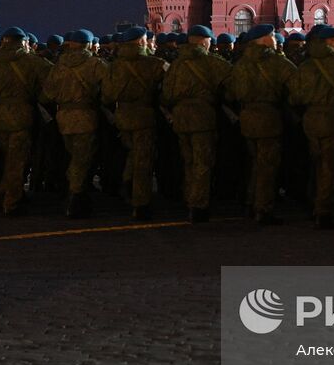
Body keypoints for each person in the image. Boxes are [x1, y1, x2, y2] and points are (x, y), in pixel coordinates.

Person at [287, 25, 334, 228]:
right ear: (329, 42)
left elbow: (294, 97)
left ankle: (313, 203)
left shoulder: (304, 66)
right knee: (330, 166)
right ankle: (324, 210)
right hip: (332, 118)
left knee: (315, 162)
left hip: (310, 118)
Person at [222, 24, 297, 225]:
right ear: (264, 39)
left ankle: (250, 202)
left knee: (254, 163)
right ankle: (263, 209)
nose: (275, 39)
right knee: (267, 166)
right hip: (268, 118)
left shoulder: (240, 64)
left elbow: (229, 93)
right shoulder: (278, 63)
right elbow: (297, 88)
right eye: (272, 36)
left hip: (247, 118)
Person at [161, 25, 232, 222]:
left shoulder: (176, 65)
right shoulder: (213, 63)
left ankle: (190, 197)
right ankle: (199, 206)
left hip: (181, 119)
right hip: (202, 118)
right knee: (202, 162)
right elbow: (232, 86)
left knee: (188, 160)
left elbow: (166, 95)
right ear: (203, 41)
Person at [0, 27, 50, 215]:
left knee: (5, 155)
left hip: (0, 114)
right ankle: (12, 200)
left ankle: (5, 190)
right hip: (23, 113)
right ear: (23, 42)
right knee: (18, 159)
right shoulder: (34, 62)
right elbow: (48, 88)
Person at [102, 26, 168, 219]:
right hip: (143, 117)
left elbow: (106, 96)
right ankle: (140, 203)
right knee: (143, 160)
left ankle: (127, 182)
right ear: (141, 42)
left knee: (132, 153)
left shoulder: (114, 66)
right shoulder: (155, 64)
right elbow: (170, 86)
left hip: (122, 117)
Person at [41, 29, 109, 218]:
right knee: (82, 159)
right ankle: (75, 198)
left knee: (71, 156)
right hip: (85, 116)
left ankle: (73, 193)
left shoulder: (58, 66)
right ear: (87, 44)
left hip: (63, 116)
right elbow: (110, 89)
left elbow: (47, 93)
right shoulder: (95, 64)